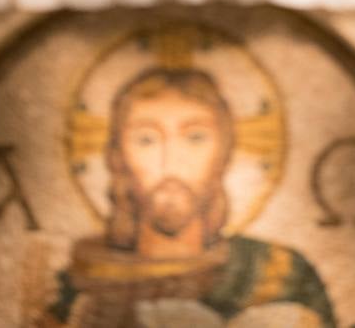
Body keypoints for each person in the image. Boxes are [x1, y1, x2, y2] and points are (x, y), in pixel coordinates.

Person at [41, 67, 337, 327]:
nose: (171, 161)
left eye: (195, 137)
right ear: (118, 157)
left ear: (223, 154)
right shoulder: (75, 287)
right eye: (146, 139)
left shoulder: (279, 274)